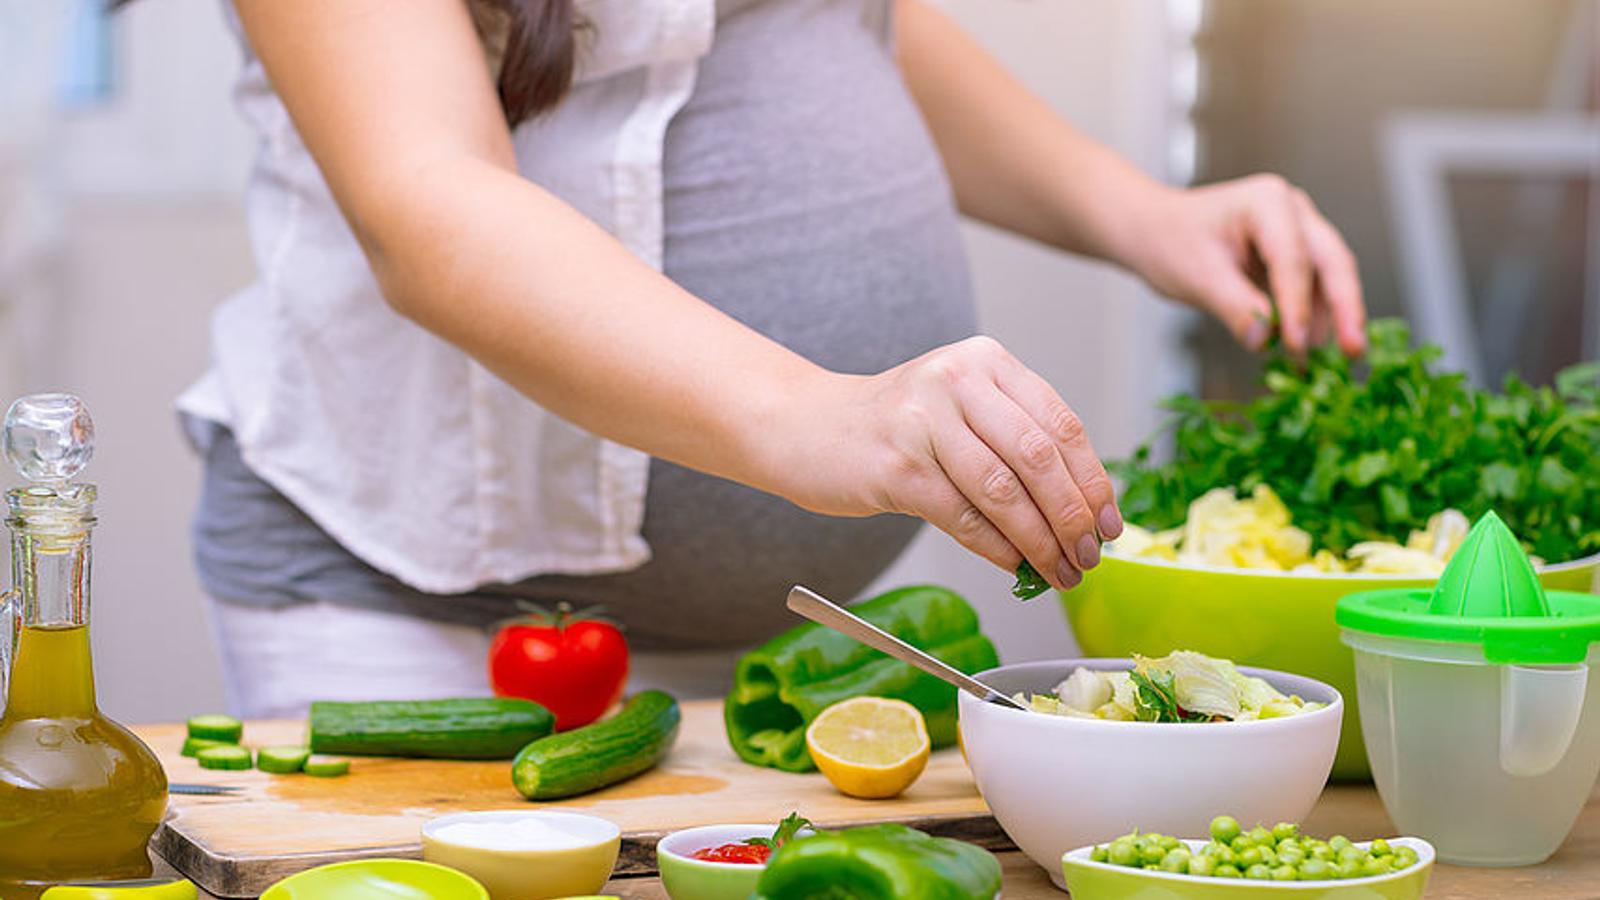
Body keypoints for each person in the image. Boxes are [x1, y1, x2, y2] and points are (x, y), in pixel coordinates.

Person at [170, 0, 1366, 716]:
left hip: (779, 654)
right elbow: (427, 208)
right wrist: (825, 417)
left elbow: (847, 25)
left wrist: (1140, 212)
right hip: (421, 608)